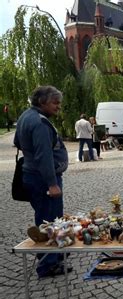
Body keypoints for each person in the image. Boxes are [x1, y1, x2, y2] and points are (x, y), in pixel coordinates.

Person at [14, 86, 70, 277]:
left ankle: (53, 254)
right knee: (49, 221)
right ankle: (48, 264)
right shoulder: (39, 122)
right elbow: (44, 156)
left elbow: (18, 142)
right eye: (55, 103)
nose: (58, 107)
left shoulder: (25, 116)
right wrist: (52, 183)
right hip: (42, 180)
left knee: (45, 219)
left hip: (32, 176)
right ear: (42, 102)